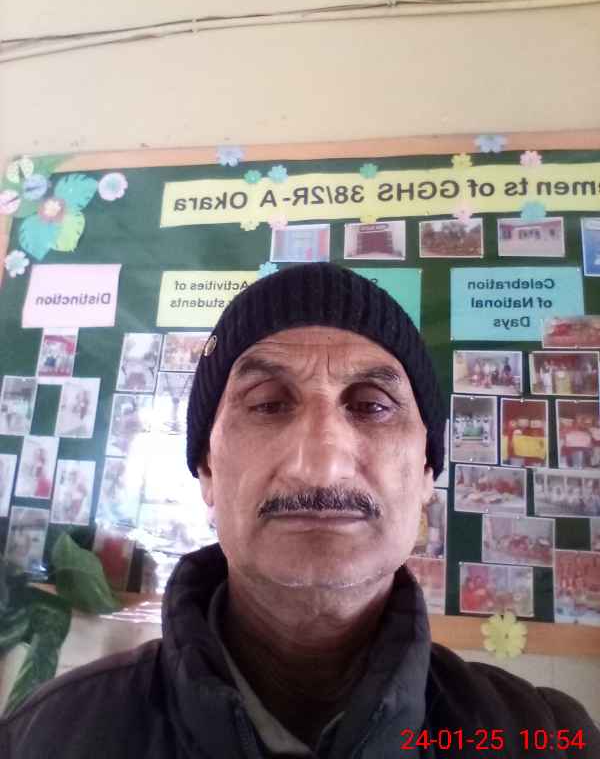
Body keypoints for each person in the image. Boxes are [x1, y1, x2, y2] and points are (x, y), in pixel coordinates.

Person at [2, 263, 599, 758]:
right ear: (206, 469)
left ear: (426, 472)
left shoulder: (546, 738)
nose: (322, 464)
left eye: (372, 405)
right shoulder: (46, 738)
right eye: (267, 404)